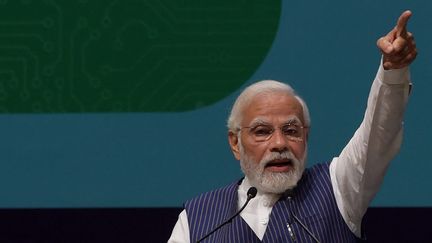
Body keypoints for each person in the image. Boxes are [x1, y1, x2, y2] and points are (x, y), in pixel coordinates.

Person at [168, 10, 417, 243]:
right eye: (262, 131)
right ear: (235, 142)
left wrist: (393, 70)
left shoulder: (336, 188)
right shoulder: (197, 221)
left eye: (291, 130)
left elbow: (378, 135)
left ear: (305, 136)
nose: (279, 144)